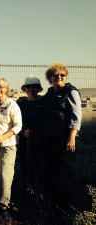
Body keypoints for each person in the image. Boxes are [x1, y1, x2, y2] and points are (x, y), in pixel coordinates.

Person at [42, 62, 82, 212]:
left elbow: (76, 117)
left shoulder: (71, 92)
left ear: (66, 77)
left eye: (62, 75)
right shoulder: (50, 93)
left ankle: (67, 209)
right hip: (49, 139)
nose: (59, 77)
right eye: (55, 75)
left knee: (64, 174)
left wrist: (72, 137)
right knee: (51, 173)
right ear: (50, 78)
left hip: (64, 139)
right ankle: (53, 207)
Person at [0, 78, 22, 219]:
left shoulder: (12, 105)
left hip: (7, 145)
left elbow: (18, 126)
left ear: (6, 89)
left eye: (2, 87)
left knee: (4, 176)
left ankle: (3, 207)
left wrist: (3, 137)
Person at [16, 75, 43, 189]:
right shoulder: (20, 103)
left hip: (41, 140)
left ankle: (39, 191)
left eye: (34, 87)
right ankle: (26, 188)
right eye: (28, 87)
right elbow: (14, 121)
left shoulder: (44, 102)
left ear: (38, 89)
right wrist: (23, 132)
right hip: (25, 139)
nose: (31, 89)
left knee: (39, 164)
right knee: (25, 164)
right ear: (25, 89)